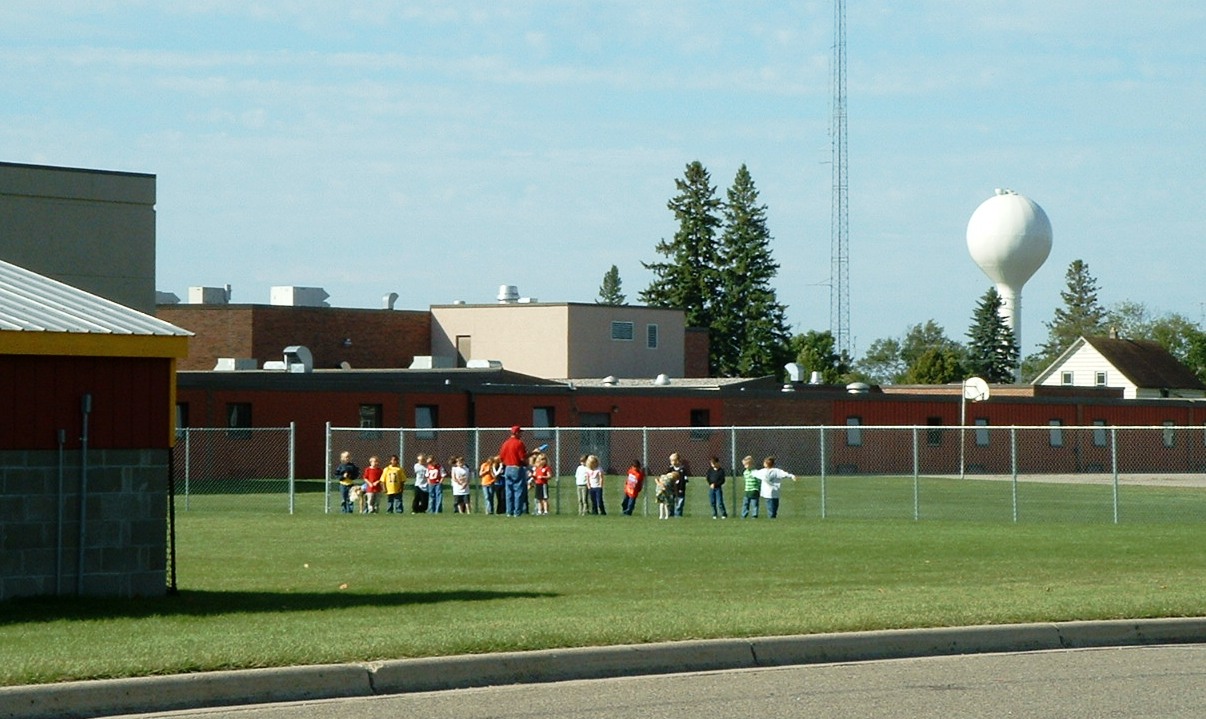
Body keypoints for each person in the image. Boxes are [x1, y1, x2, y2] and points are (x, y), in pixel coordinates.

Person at [498, 425, 529, 517]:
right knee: (518, 491)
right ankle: (517, 512)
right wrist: (530, 456)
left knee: (509, 491)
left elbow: (501, 457)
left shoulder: (505, 443)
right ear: (516, 433)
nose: (521, 434)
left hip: (507, 468)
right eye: (520, 432)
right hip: (517, 468)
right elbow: (522, 458)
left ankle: (509, 511)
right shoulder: (519, 443)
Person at [668, 452, 688, 517]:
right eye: (670, 460)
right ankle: (671, 515)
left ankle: (678, 516)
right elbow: (667, 477)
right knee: (671, 504)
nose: (671, 462)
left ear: (677, 460)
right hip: (672, 490)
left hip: (680, 490)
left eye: (673, 460)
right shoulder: (670, 469)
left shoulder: (682, 470)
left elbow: (683, 480)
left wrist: (681, 488)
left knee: (679, 505)